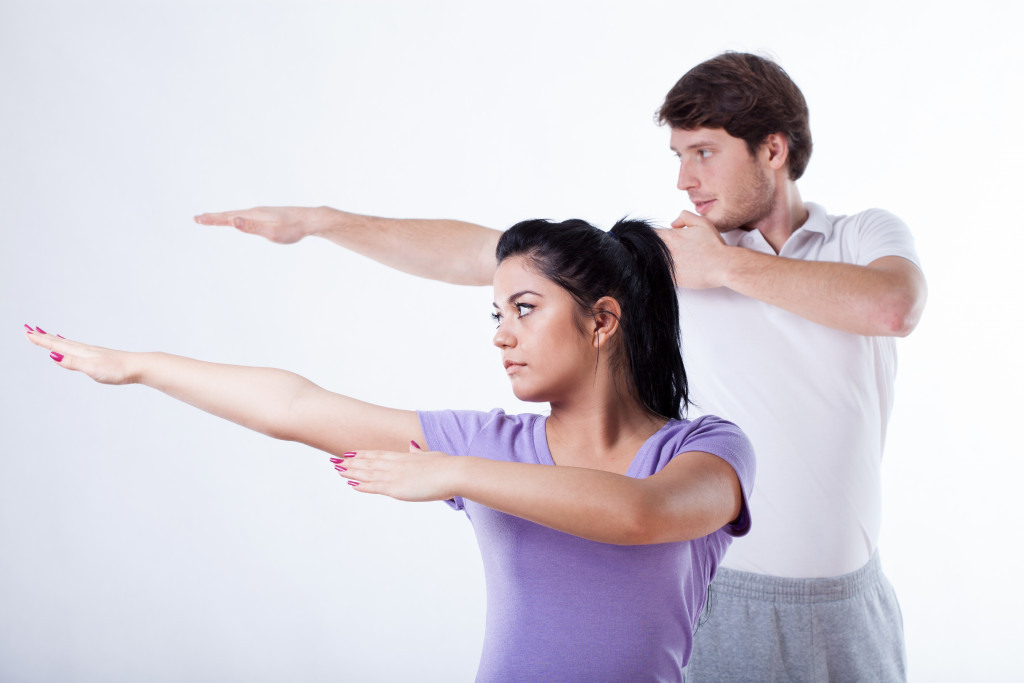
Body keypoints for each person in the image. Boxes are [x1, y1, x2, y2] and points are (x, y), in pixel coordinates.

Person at [195, 52, 927, 680]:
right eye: (676, 156)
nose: (683, 180)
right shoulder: (665, 259)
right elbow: (482, 252)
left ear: (773, 150)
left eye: (702, 151)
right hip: (717, 591)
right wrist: (325, 223)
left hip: (848, 603)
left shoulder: (859, 235)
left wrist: (728, 270)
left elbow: (893, 308)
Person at [25, 217, 755, 682]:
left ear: (601, 321)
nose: (501, 333)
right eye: (496, 313)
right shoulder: (490, 442)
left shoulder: (705, 448)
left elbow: (642, 514)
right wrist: (140, 365)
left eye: (524, 310)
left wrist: (456, 472)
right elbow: (296, 406)